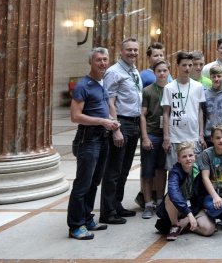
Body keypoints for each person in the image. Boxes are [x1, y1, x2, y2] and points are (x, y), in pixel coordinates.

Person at [67, 47, 121, 240]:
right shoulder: (83, 85)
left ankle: (87, 218)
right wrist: (103, 121)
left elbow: (100, 110)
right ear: (90, 62)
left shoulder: (102, 83)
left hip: (102, 139)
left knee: (94, 183)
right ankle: (75, 225)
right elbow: (75, 116)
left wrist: (111, 123)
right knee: (82, 184)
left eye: (105, 59)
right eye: (98, 60)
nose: (102, 63)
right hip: (88, 140)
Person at [101, 38, 142, 225]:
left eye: (135, 50)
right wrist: (115, 128)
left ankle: (116, 205)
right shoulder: (113, 72)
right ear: (120, 51)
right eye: (129, 50)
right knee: (113, 169)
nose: (132, 53)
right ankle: (107, 211)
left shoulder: (134, 70)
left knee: (124, 168)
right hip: (122, 123)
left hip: (134, 123)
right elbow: (109, 102)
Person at [155, 141, 212, 241]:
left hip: (193, 207)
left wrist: (187, 218)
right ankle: (175, 225)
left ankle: (185, 226)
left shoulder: (199, 171)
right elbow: (173, 192)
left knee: (209, 230)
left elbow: (201, 196)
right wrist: (188, 213)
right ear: (178, 159)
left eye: (190, 155)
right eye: (184, 156)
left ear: (195, 156)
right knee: (170, 196)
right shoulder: (175, 172)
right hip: (178, 208)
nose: (188, 159)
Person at [162, 51, 206, 170]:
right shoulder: (169, 87)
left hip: (193, 135)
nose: (187, 68)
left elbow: (200, 111)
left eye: (190, 65)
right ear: (177, 65)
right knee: (174, 171)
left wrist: (201, 134)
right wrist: (166, 137)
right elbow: (165, 113)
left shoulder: (198, 86)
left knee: (194, 170)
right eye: (184, 65)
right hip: (175, 136)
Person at [139, 59, 169, 219]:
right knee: (148, 171)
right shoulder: (148, 91)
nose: (162, 73)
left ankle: (160, 200)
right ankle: (148, 203)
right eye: (159, 71)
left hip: (167, 136)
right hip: (151, 134)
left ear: (169, 72)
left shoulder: (171, 89)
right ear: (155, 73)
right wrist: (144, 137)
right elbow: (142, 115)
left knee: (162, 169)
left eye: (165, 70)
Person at [203, 64, 222, 147]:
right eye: (214, 76)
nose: (216, 79)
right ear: (210, 77)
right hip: (209, 136)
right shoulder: (205, 94)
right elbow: (203, 115)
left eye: (219, 76)